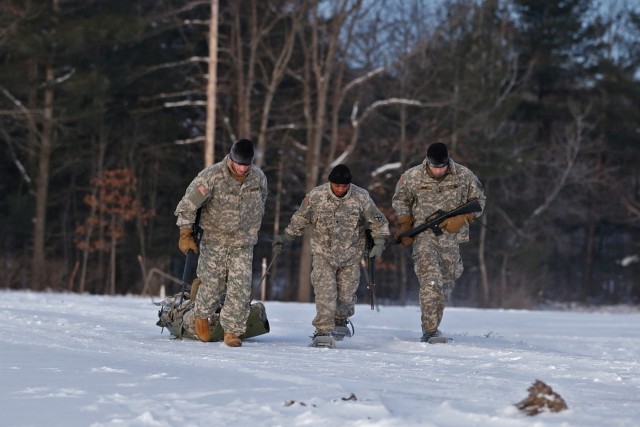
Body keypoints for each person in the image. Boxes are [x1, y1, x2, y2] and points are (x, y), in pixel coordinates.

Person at [273, 164, 389, 342]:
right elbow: (301, 218)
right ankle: (323, 332)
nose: (341, 189)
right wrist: (286, 237)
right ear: (330, 183)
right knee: (325, 293)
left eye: (344, 186)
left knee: (346, 295)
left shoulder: (361, 197)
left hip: (351, 254)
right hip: (323, 253)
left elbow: (378, 221)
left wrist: (379, 242)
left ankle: (340, 320)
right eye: (337, 186)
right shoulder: (317, 196)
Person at [174, 139, 268, 347]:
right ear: (230, 159)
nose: (242, 168)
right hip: (215, 240)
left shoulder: (258, 178)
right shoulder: (212, 176)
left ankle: (232, 330)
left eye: (247, 165)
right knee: (213, 283)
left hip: (243, 241)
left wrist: (254, 227)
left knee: (240, 286)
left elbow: (262, 202)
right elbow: (188, 204)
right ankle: (202, 314)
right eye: (238, 164)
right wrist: (185, 232)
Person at [392, 142, 485, 342]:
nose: (438, 171)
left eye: (441, 167)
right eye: (434, 167)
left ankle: (434, 326)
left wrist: (463, 219)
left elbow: (480, 201)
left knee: (445, 284)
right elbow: (400, 199)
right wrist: (405, 224)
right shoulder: (412, 176)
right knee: (430, 280)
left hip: (452, 239)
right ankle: (430, 329)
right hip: (424, 236)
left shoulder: (464, 175)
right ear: (427, 161)